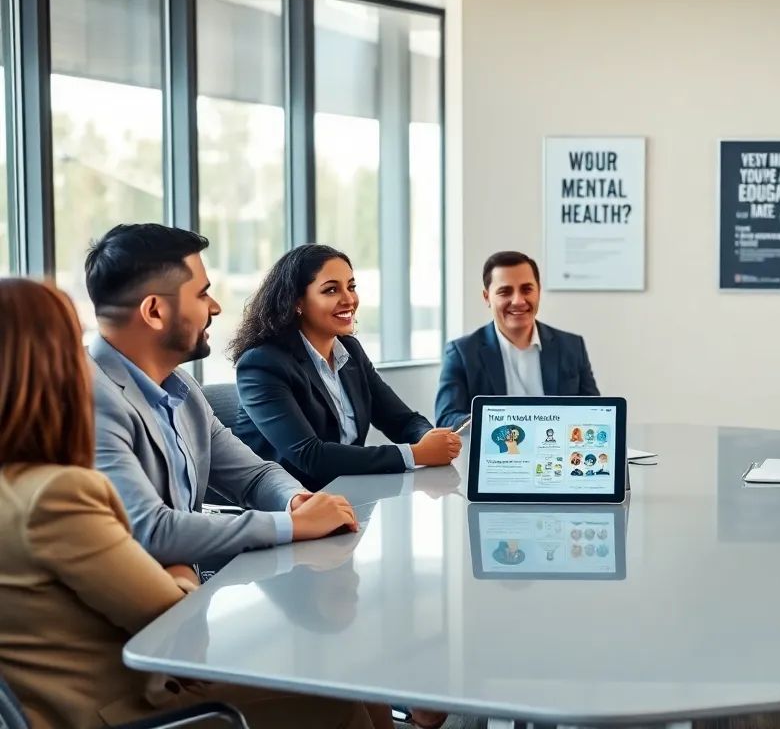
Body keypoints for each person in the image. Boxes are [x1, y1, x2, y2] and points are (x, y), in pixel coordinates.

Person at [0, 278, 374, 729]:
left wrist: (296, 504)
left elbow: (250, 474)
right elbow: (174, 617)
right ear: (48, 364)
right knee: (340, 697)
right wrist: (175, 556)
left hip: (127, 680)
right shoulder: (56, 494)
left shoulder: (24, 484)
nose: (87, 362)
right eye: (73, 343)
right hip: (126, 706)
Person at [85, 224, 358, 567]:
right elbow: (151, 532)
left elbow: (255, 476)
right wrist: (290, 525)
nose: (214, 307)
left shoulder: (181, 388)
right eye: (201, 294)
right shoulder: (88, 398)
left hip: (186, 595)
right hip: (134, 612)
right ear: (154, 311)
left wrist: (296, 502)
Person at [229, 245, 462, 491]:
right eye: (331, 290)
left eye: (351, 287)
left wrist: (428, 438)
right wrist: (416, 454)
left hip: (348, 495)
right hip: (291, 507)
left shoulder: (350, 351)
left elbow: (402, 420)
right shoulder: (262, 364)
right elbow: (311, 457)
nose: (349, 299)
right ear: (297, 303)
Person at [435, 251, 599, 429]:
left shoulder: (572, 347)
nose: (518, 301)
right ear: (487, 297)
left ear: (539, 291)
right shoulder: (461, 353)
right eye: (505, 292)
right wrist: (498, 421)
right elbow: (446, 419)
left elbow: (596, 412)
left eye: (526, 289)